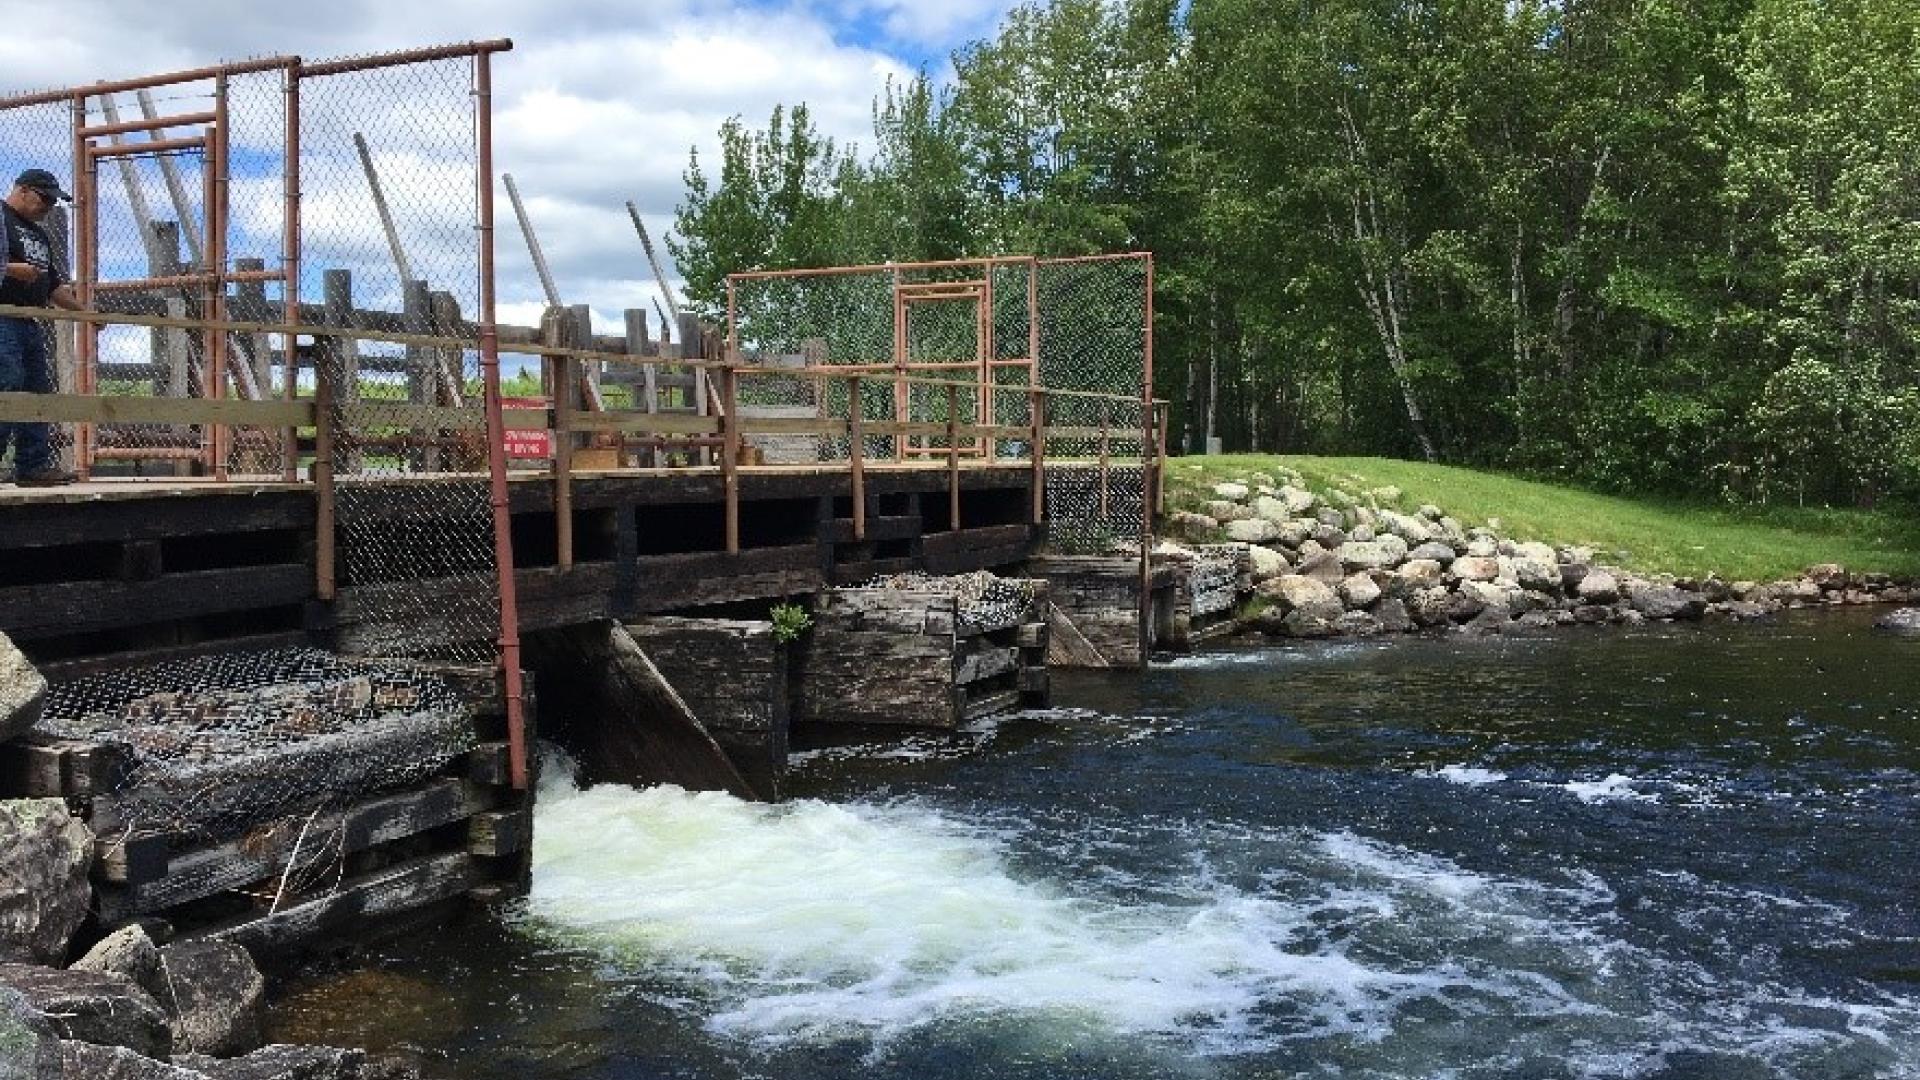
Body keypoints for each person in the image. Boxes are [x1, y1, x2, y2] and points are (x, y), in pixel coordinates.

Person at [1, 168, 82, 486]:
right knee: (8, 383)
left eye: (53, 201)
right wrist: (10, 269)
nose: (48, 206)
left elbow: (53, 285)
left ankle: (32, 467)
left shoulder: (39, 235)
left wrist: (85, 312)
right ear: (22, 190)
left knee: (37, 393)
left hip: (29, 320)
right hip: (3, 315)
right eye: (44, 198)